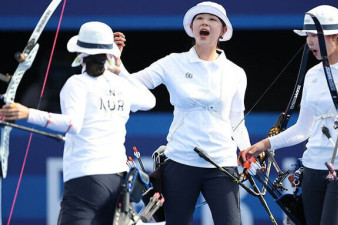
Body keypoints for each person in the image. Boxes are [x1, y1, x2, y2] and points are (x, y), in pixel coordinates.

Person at [240, 5, 338, 225]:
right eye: (307, 36)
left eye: (315, 35)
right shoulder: (313, 75)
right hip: (312, 169)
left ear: (334, 36)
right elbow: (303, 129)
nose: (309, 42)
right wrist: (264, 145)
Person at [0, 21, 156, 225]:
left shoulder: (76, 84)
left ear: (80, 55)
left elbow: (72, 124)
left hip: (85, 179)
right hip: (117, 180)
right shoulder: (120, 84)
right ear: (109, 56)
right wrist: (120, 68)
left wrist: (27, 113)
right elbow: (149, 100)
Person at [113, 2, 251, 224]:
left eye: (212, 19)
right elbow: (134, 85)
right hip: (180, 162)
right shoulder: (173, 62)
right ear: (192, 27)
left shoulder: (236, 73)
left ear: (223, 30)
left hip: (222, 163)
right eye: (200, 19)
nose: (205, 22)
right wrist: (117, 63)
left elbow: (237, 119)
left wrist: (247, 151)